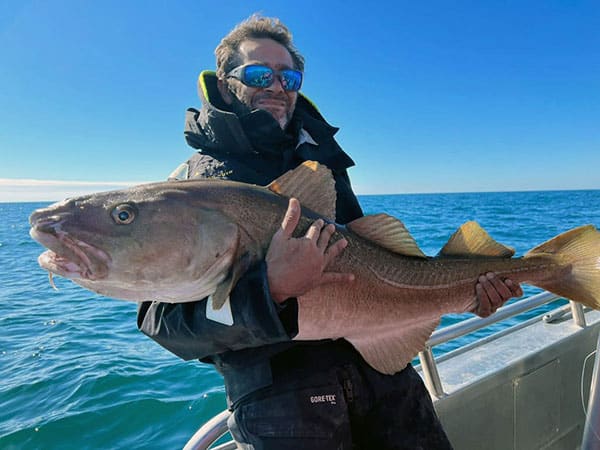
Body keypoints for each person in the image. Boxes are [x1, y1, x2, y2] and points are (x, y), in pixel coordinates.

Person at [137, 14, 523, 449]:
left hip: (386, 382)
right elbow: (165, 324)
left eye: (289, 76)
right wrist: (270, 291)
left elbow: (379, 261)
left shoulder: (323, 160)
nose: (277, 87)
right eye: (259, 74)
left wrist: (465, 290)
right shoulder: (191, 189)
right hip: (282, 404)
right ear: (226, 84)